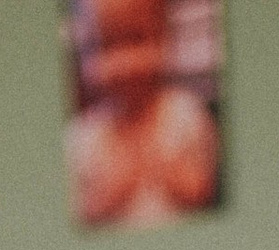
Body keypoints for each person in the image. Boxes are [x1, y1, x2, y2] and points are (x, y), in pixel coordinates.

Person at [62, 0, 221, 231]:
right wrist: (105, 199)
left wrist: (181, 179)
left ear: (165, 39)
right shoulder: (82, 139)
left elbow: (210, 194)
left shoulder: (187, 114)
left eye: (136, 39)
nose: (124, 62)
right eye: (105, 45)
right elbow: (76, 220)